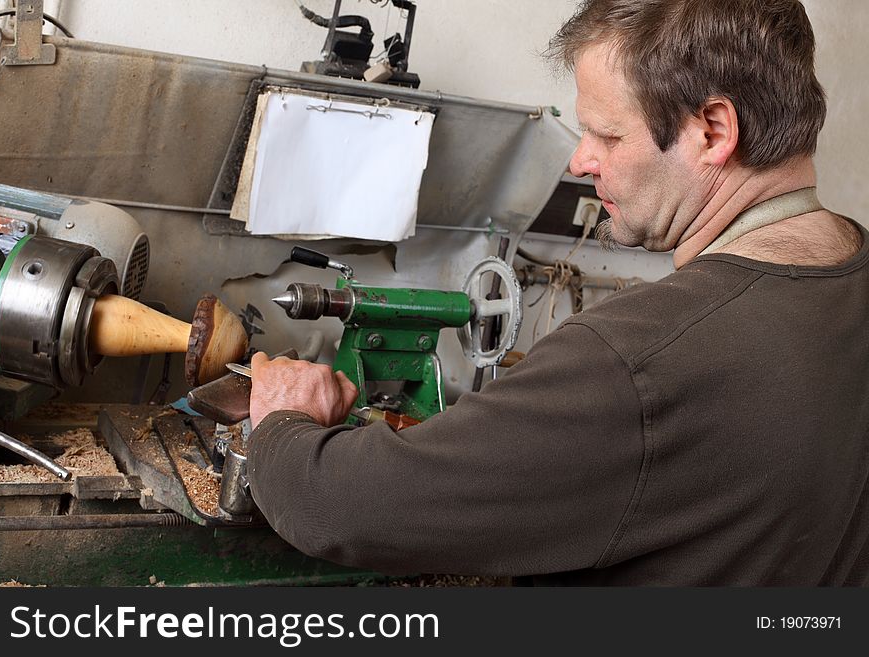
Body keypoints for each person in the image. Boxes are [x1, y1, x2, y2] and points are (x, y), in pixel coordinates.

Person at [246, 0, 869, 585]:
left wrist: (282, 422)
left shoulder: (635, 362)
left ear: (711, 130)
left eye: (608, 135)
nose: (579, 161)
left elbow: (342, 507)